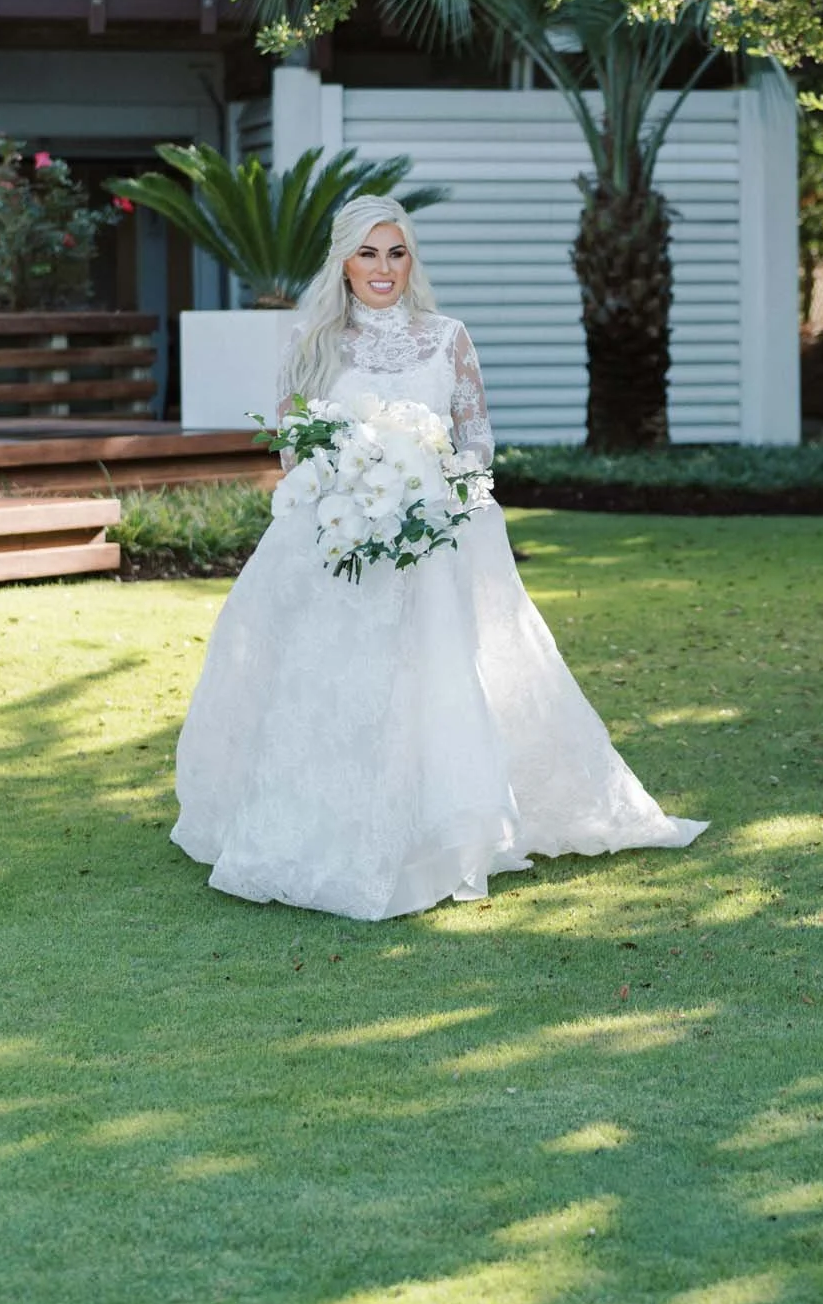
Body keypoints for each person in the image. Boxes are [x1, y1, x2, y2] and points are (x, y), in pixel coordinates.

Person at [173, 194, 706, 919]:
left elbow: (477, 435)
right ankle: (321, 830)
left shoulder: (447, 337)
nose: (383, 268)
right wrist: (351, 487)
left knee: (431, 679)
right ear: (344, 263)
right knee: (334, 685)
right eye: (368, 253)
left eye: (396, 252)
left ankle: (438, 829)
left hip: (428, 540)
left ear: (411, 260)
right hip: (340, 544)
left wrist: (447, 488)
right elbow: (294, 443)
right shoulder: (312, 344)